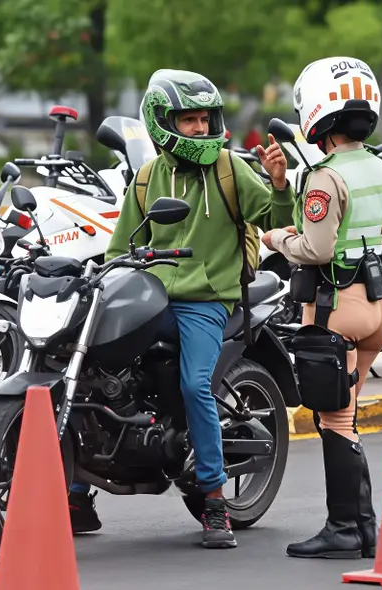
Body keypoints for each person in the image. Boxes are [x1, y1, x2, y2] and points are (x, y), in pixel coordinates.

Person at [67, 69, 294, 549]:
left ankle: (213, 501)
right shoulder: (147, 178)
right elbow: (121, 249)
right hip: (152, 297)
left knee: (195, 386)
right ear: (163, 123)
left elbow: (277, 220)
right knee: (95, 372)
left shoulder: (230, 170)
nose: (200, 128)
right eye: (189, 120)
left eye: (205, 119)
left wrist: (279, 183)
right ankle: (78, 493)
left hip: (206, 301)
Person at [263, 56, 382, 560]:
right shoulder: (379, 167)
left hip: (337, 306)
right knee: (347, 416)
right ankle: (364, 530)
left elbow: (316, 249)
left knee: (335, 420)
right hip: (379, 307)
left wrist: (276, 238)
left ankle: (344, 529)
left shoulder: (324, 177)